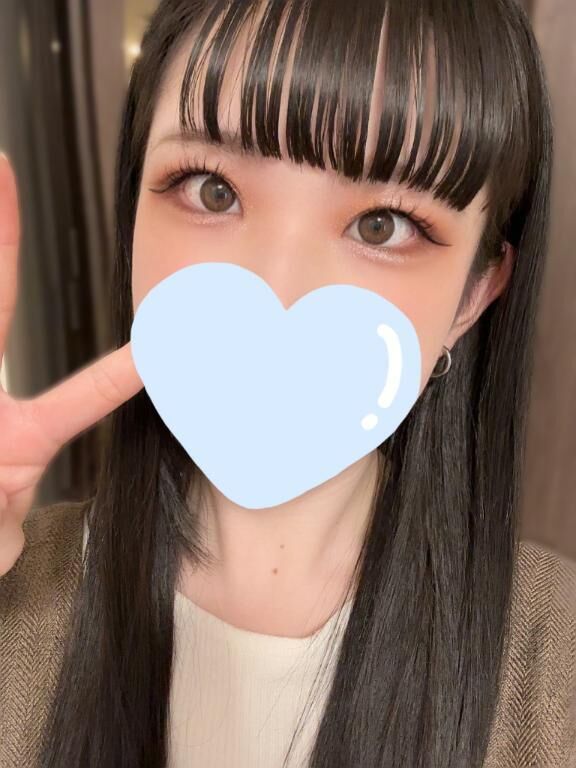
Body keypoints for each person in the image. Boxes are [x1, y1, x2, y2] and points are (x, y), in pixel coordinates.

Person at [1, 0, 575, 766]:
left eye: (383, 225)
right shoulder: (17, 594)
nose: (277, 289)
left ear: (472, 296)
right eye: (211, 189)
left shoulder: (554, 660)